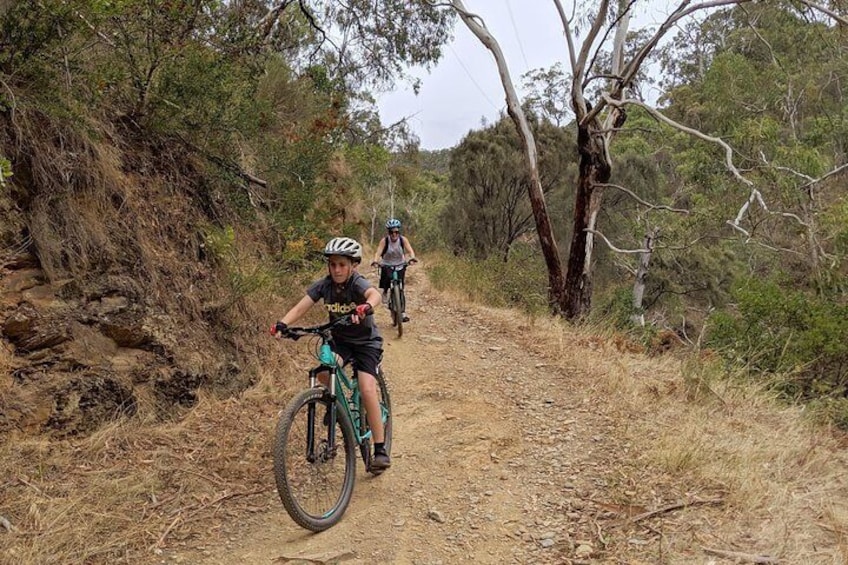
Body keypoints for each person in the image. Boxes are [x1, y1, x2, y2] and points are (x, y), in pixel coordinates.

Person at [273, 236, 390, 470]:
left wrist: (366, 307)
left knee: (367, 388)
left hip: (366, 343)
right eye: (333, 264)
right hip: (341, 340)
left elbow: (373, 295)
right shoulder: (323, 285)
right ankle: (335, 404)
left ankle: (379, 449)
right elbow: (300, 306)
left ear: (352, 265)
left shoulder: (357, 283)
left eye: (342, 265)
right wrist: (282, 324)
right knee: (324, 371)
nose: (337, 269)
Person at [371, 218, 417, 322]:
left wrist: (412, 258)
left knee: (400, 288)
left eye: (396, 232)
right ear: (388, 232)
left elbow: (410, 250)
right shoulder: (385, 241)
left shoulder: (403, 240)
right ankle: (385, 291)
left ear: (398, 232)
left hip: (400, 264)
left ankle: (403, 312)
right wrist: (375, 261)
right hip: (387, 264)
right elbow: (378, 252)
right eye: (391, 232)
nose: (394, 234)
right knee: (386, 278)